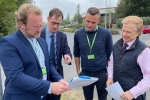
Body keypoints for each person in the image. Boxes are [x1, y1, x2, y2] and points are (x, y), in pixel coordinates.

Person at [0, 3, 70, 100]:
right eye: (35, 27)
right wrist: (49, 87)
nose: (39, 30)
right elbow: (16, 76)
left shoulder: (41, 41)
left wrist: (59, 79)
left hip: (42, 96)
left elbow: (48, 65)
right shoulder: (8, 43)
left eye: (41, 26)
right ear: (22, 25)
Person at [106, 16, 150, 100]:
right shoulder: (116, 45)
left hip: (133, 97)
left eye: (128, 32)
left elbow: (148, 77)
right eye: (123, 30)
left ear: (138, 33)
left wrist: (133, 92)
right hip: (117, 94)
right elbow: (111, 63)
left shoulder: (144, 51)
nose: (124, 34)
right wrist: (110, 77)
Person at [74, 7, 113, 100]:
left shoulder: (106, 33)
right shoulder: (78, 34)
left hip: (102, 74)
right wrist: (79, 71)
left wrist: (109, 73)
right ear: (84, 19)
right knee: (87, 98)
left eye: (93, 22)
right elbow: (76, 53)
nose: (90, 25)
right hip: (85, 73)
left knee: (102, 97)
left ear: (98, 21)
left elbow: (110, 55)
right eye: (87, 21)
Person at [41, 8, 72, 100]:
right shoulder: (38, 34)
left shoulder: (62, 36)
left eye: (58, 24)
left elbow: (66, 48)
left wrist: (67, 55)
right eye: (53, 23)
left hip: (57, 73)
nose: (55, 26)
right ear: (48, 19)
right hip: (42, 74)